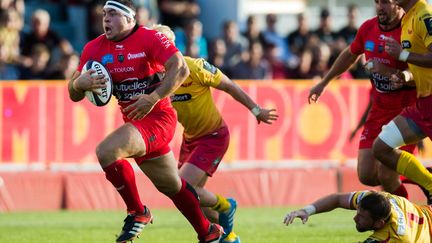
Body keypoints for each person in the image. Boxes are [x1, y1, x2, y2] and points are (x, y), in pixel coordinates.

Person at [67, 1, 223, 243]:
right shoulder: (93, 48)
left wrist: (152, 98)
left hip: (159, 118)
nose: (106, 19)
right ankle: (208, 232)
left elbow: (180, 69)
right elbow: (72, 93)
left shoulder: (149, 38)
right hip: (137, 122)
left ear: (131, 18)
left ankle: (138, 211)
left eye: (113, 14)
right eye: (104, 14)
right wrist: (79, 84)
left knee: (106, 151)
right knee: (172, 186)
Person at [152, 24, 278, 243]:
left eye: (161, 45)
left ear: (172, 47)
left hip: (213, 136)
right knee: (193, 198)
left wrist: (256, 110)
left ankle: (226, 206)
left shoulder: (195, 66)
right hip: (190, 139)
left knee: (183, 188)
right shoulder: (155, 77)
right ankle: (228, 236)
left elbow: (229, 86)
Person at [308, 0, 419, 199]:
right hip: (379, 110)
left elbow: (423, 74)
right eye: (377, 2)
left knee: (387, 174)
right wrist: (324, 82)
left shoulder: (411, 29)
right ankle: (420, 174)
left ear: (398, 4)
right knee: (367, 175)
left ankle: (402, 221)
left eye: (385, 2)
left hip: (406, 111)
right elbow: (351, 54)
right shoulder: (368, 27)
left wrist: (398, 75)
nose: (379, 7)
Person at [372, 0, 432, 204]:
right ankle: (430, 185)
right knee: (380, 147)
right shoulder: (408, 17)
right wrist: (404, 76)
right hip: (423, 104)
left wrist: (402, 54)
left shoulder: (424, 14)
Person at [283, 190, 432, 242]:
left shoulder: (394, 237)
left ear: (379, 223)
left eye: (362, 217)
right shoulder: (374, 197)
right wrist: (306, 210)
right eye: (357, 212)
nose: (355, 218)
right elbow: (337, 199)